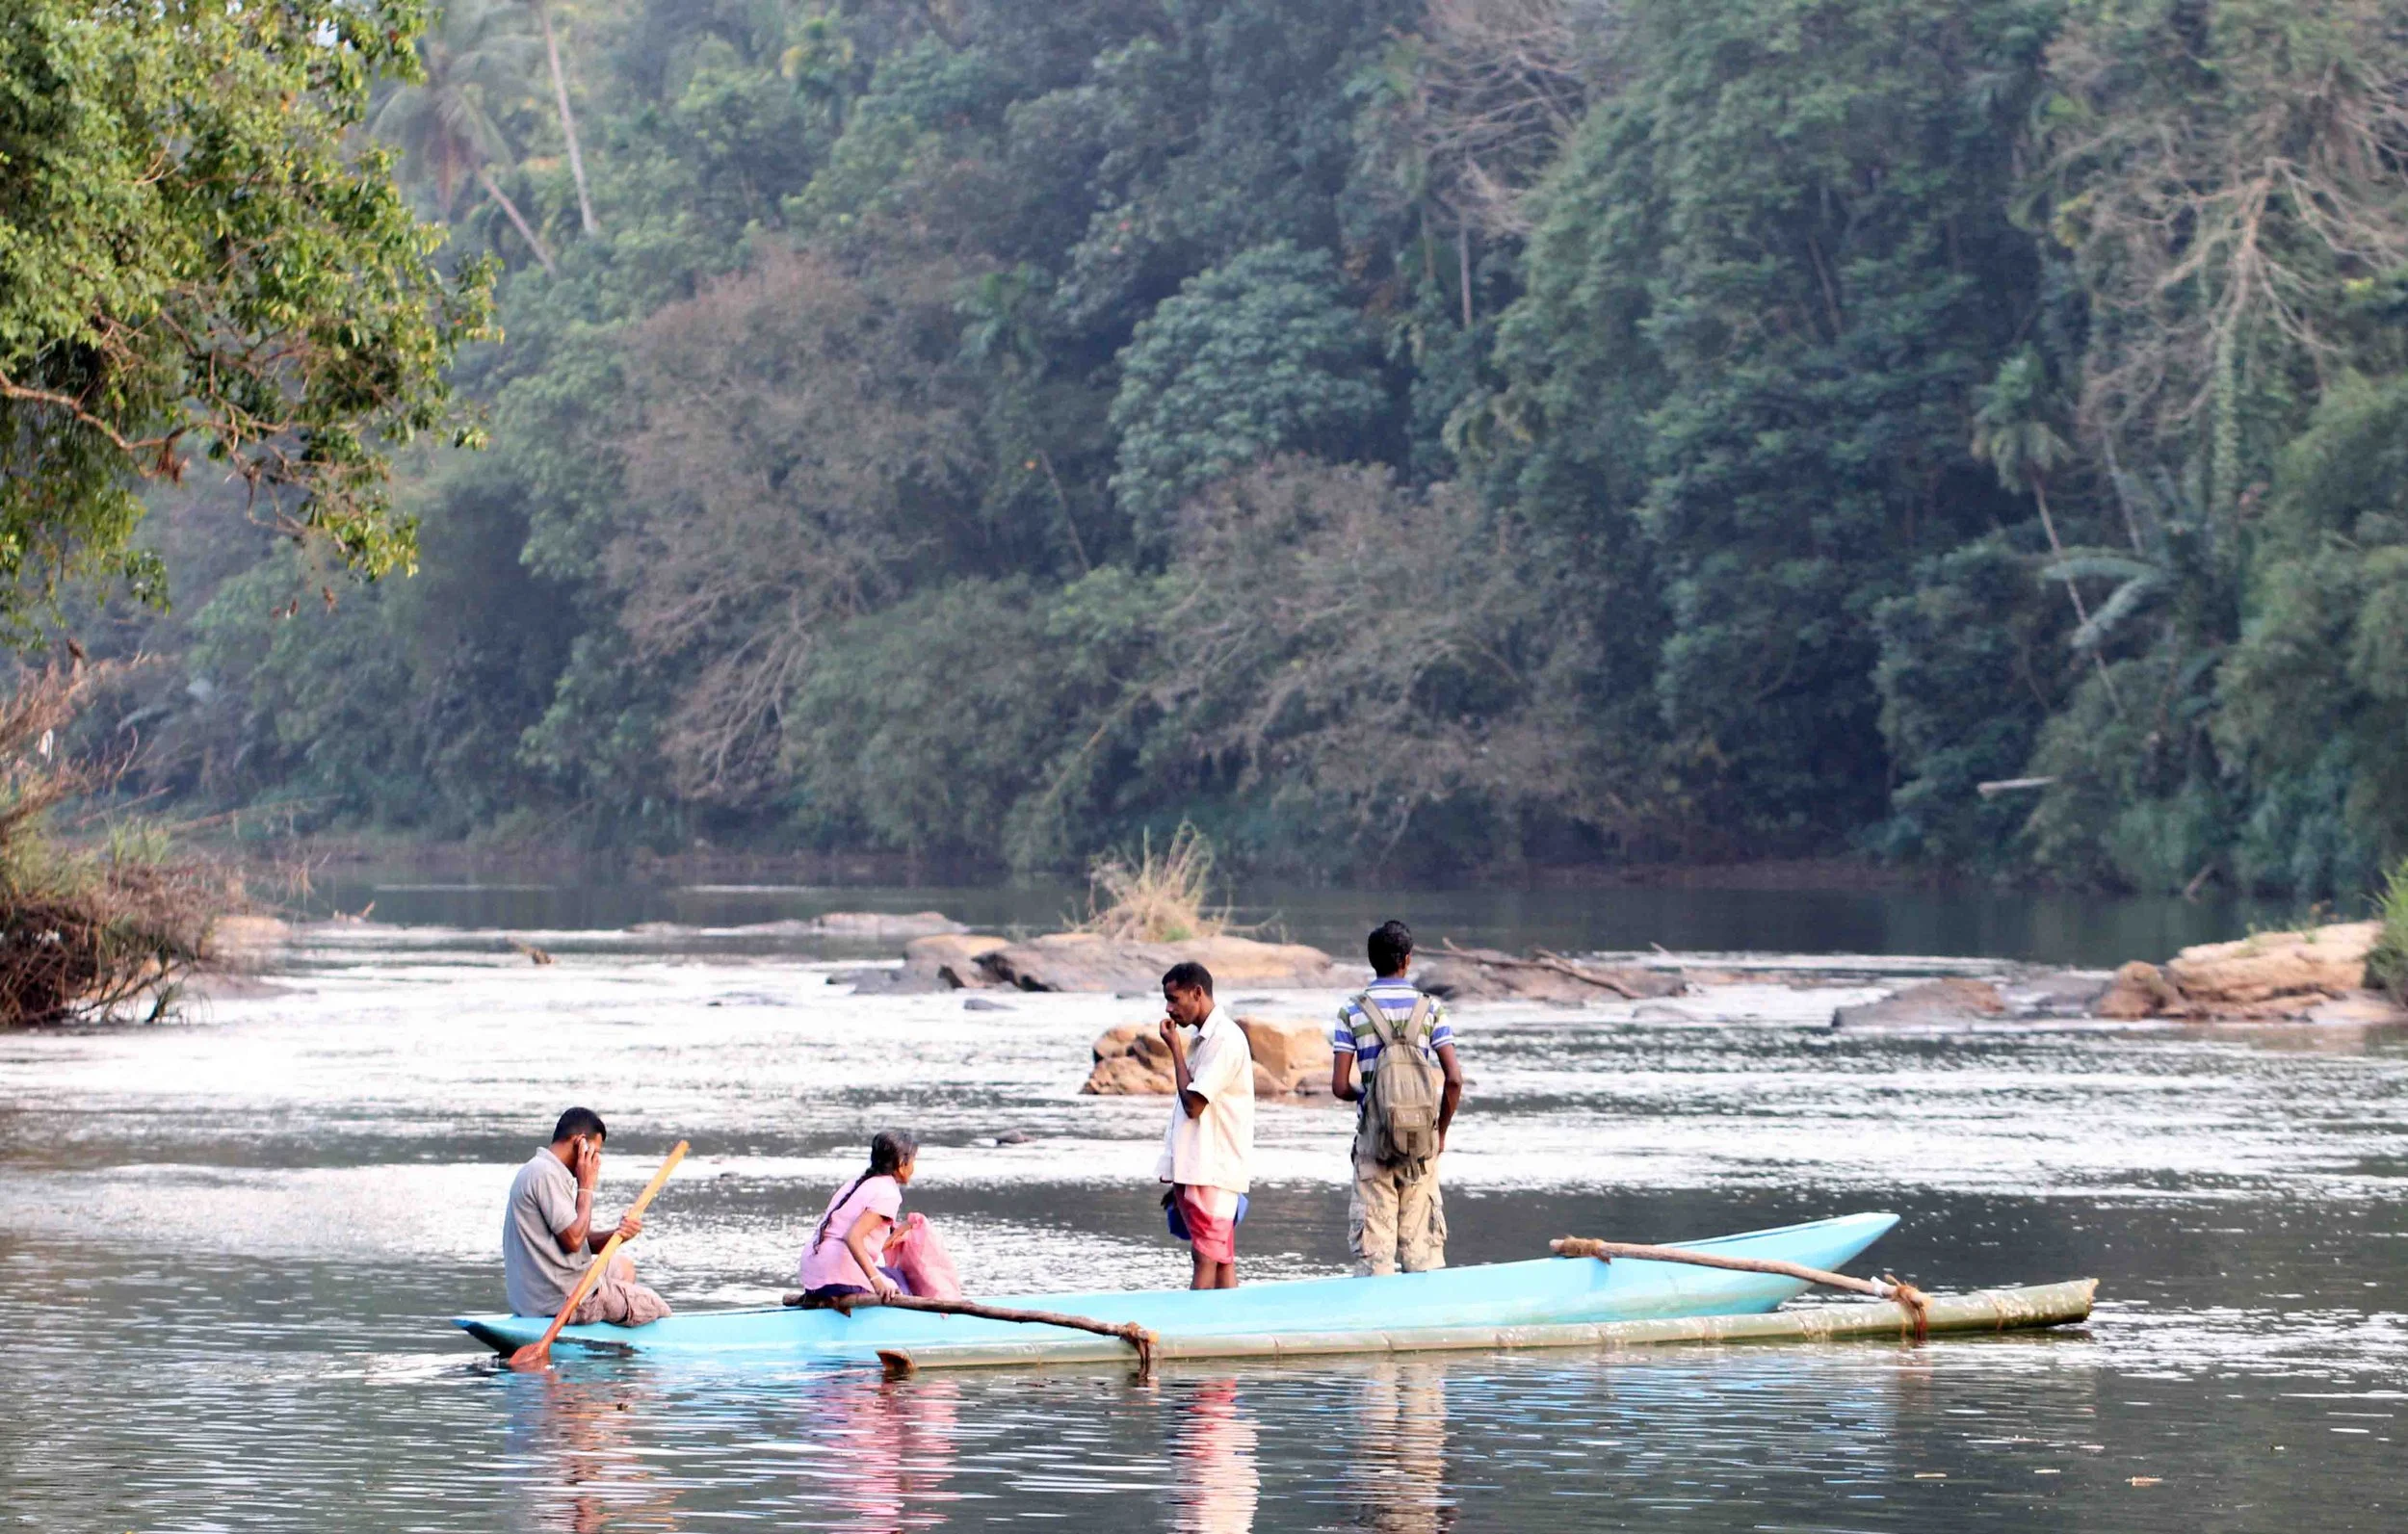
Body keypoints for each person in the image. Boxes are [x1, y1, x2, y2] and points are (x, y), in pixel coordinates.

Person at [1330, 920, 1462, 1276]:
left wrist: (1371, 1100)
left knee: (1375, 1262)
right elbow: (1453, 1080)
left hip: (1374, 1144)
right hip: (1421, 1143)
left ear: (1372, 961)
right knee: (1424, 1258)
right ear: (1408, 959)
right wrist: (1441, 1133)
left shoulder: (1352, 1012)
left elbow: (1340, 1086)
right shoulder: (1431, 1009)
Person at [502, 1106, 670, 1325]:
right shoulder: (545, 1174)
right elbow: (573, 1240)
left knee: (624, 1266)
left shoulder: (542, 1169)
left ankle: (605, 1326)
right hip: (563, 1300)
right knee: (658, 1308)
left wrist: (619, 1234)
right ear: (580, 1142)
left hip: (542, 1294)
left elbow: (575, 1238)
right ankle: (600, 1315)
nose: (596, 1161)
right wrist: (586, 1187)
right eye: (596, 1152)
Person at [1156, 960, 1255, 1290]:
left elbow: (1193, 1104)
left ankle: (1195, 1332)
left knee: (1205, 1257)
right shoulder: (1206, 1039)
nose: (1170, 1009)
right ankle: (1228, 1331)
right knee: (1221, 1256)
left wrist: (1175, 1051)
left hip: (1213, 1169)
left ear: (1197, 993)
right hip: (1203, 1168)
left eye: (1175, 999)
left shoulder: (1224, 1039)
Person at [799, 1130, 919, 1302]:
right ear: (901, 1163)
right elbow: (852, 1237)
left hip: (814, 1275)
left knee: (892, 1276)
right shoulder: (888, 1193)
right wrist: (877, 1282)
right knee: (904, 1285)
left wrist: (895, 1237)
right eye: (913, 1160)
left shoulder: (857, 1183)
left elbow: (845, 1235)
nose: (914, 1167)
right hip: (836, 1275)